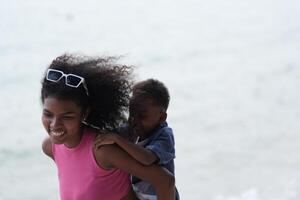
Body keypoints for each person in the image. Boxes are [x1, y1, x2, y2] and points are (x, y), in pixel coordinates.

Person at [40, 54, 175, 200]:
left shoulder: (102, 150)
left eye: (67, 117)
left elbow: (165, 181)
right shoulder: (50, 147)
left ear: (85, 113)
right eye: (48, 114)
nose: (54, 124)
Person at [94, 79, 180, 200]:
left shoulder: (164, 135)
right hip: (138, 194)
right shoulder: (132, 128)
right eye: (132, 114)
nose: (135, 121)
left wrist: (117, 139)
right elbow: (109, 133)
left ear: (161, 117)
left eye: (142, 116)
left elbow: (147, 158)